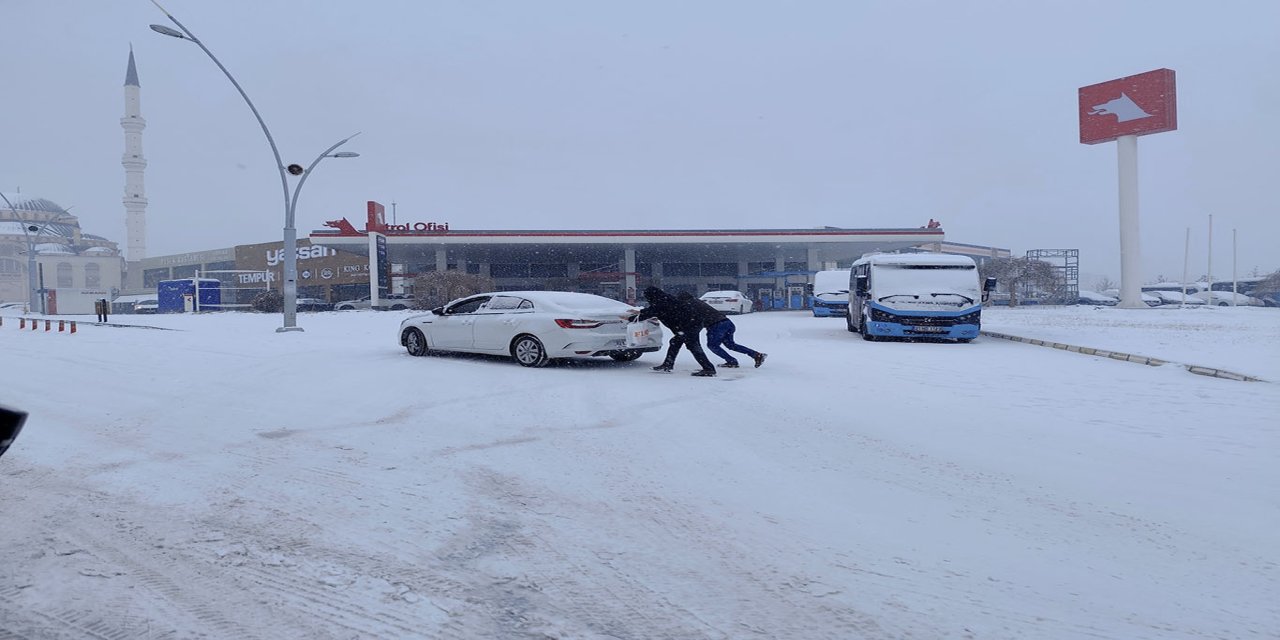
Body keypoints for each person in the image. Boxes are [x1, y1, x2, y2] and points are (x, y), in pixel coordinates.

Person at [630, 286, 718, 377]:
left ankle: (708, 368)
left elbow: (652, 311)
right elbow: (653, 310)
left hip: (688, 326)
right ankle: (668, 364)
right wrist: (640, 312)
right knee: (674, 342)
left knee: (693, 346)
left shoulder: (660, 302)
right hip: (692, 323)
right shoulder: (665, 298)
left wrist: (630, 318)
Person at [678, 292, 767, 369]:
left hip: (716, 325)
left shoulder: (689, 305)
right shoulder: (697, 302)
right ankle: (756, 355)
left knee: (712, 345)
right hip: (727, 322)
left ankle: (731, 361)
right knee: (730, 345)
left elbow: (694, 320)